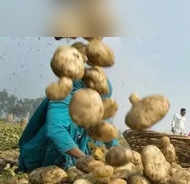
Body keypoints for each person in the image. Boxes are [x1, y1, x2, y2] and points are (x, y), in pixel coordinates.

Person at [18, 39, 118, 172]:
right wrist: (84, 159)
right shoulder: (65, 93)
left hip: (69, 163)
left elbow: (104, 128)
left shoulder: (96, 101)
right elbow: (55, 129)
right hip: (41, 160)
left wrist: (118, 152)